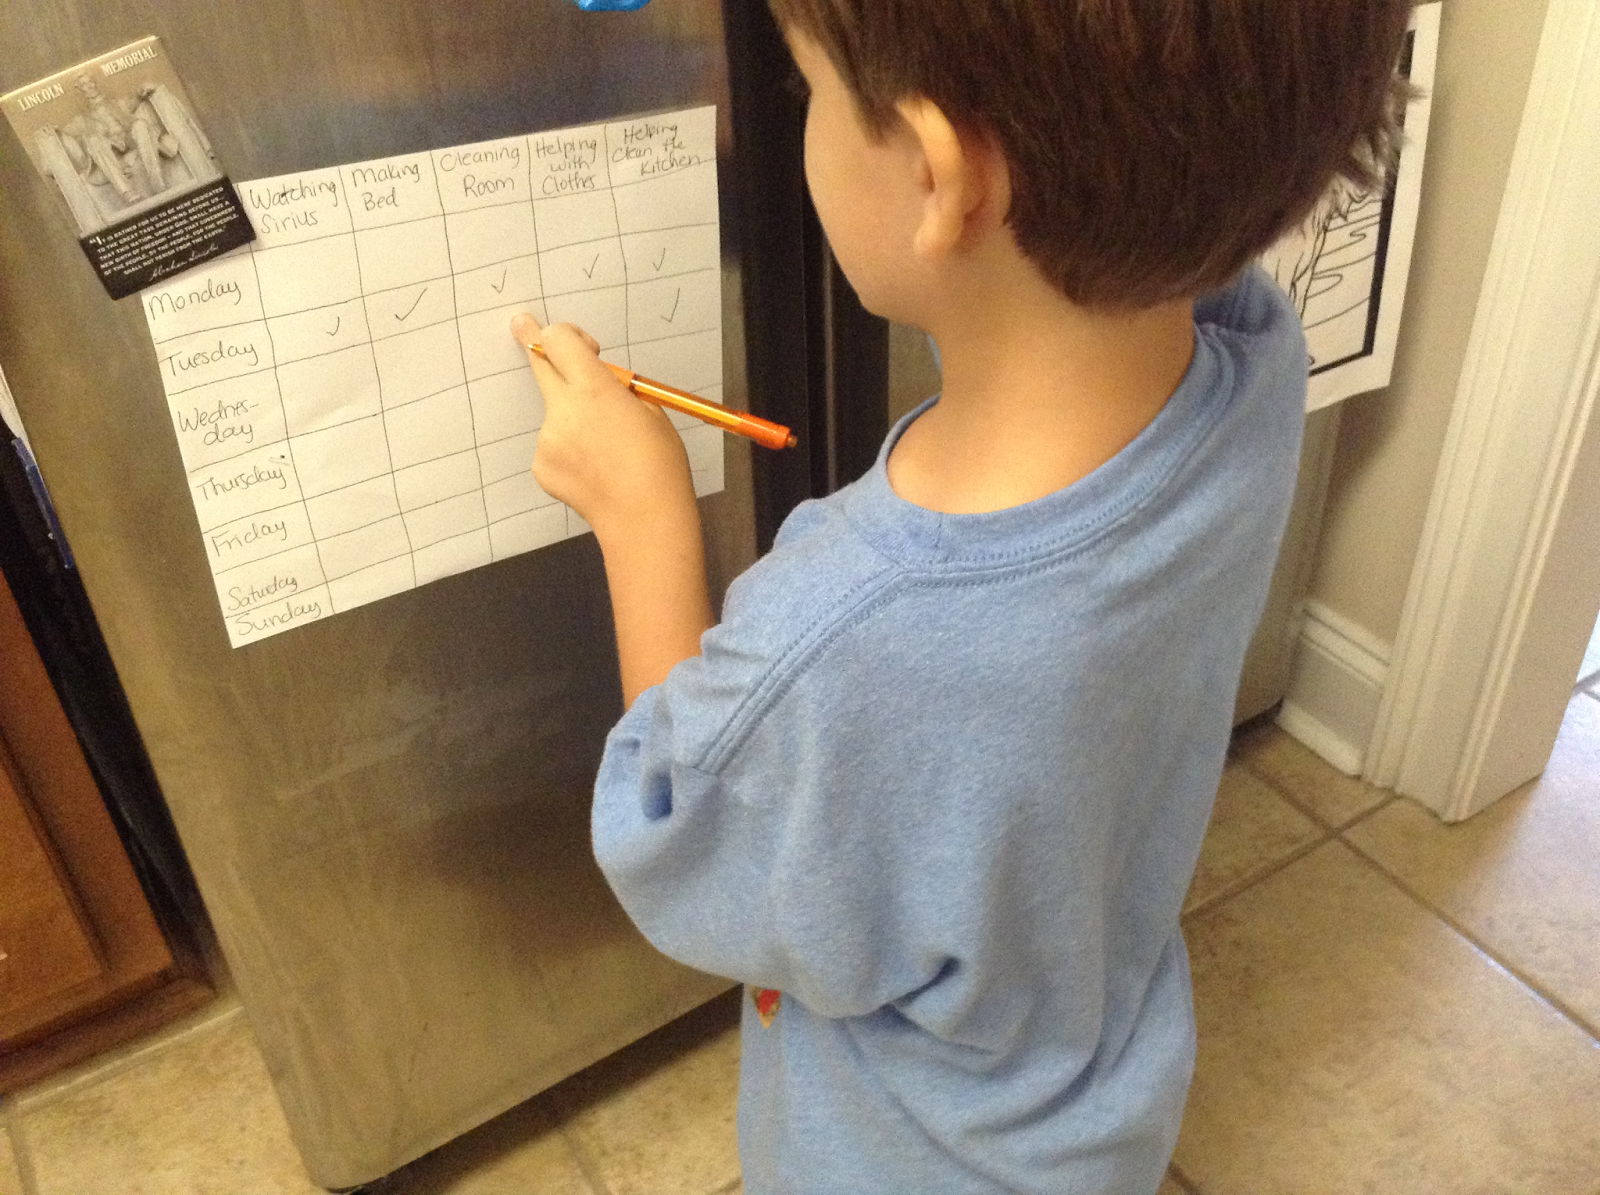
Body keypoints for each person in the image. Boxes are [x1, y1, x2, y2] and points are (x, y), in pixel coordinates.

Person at [510, 2, 1412, 1189]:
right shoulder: (1250, 358)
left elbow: (674, 835)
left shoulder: (853, 624)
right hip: (1097, 1098)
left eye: (807, 91)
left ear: (942, 177)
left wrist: (641, 514)